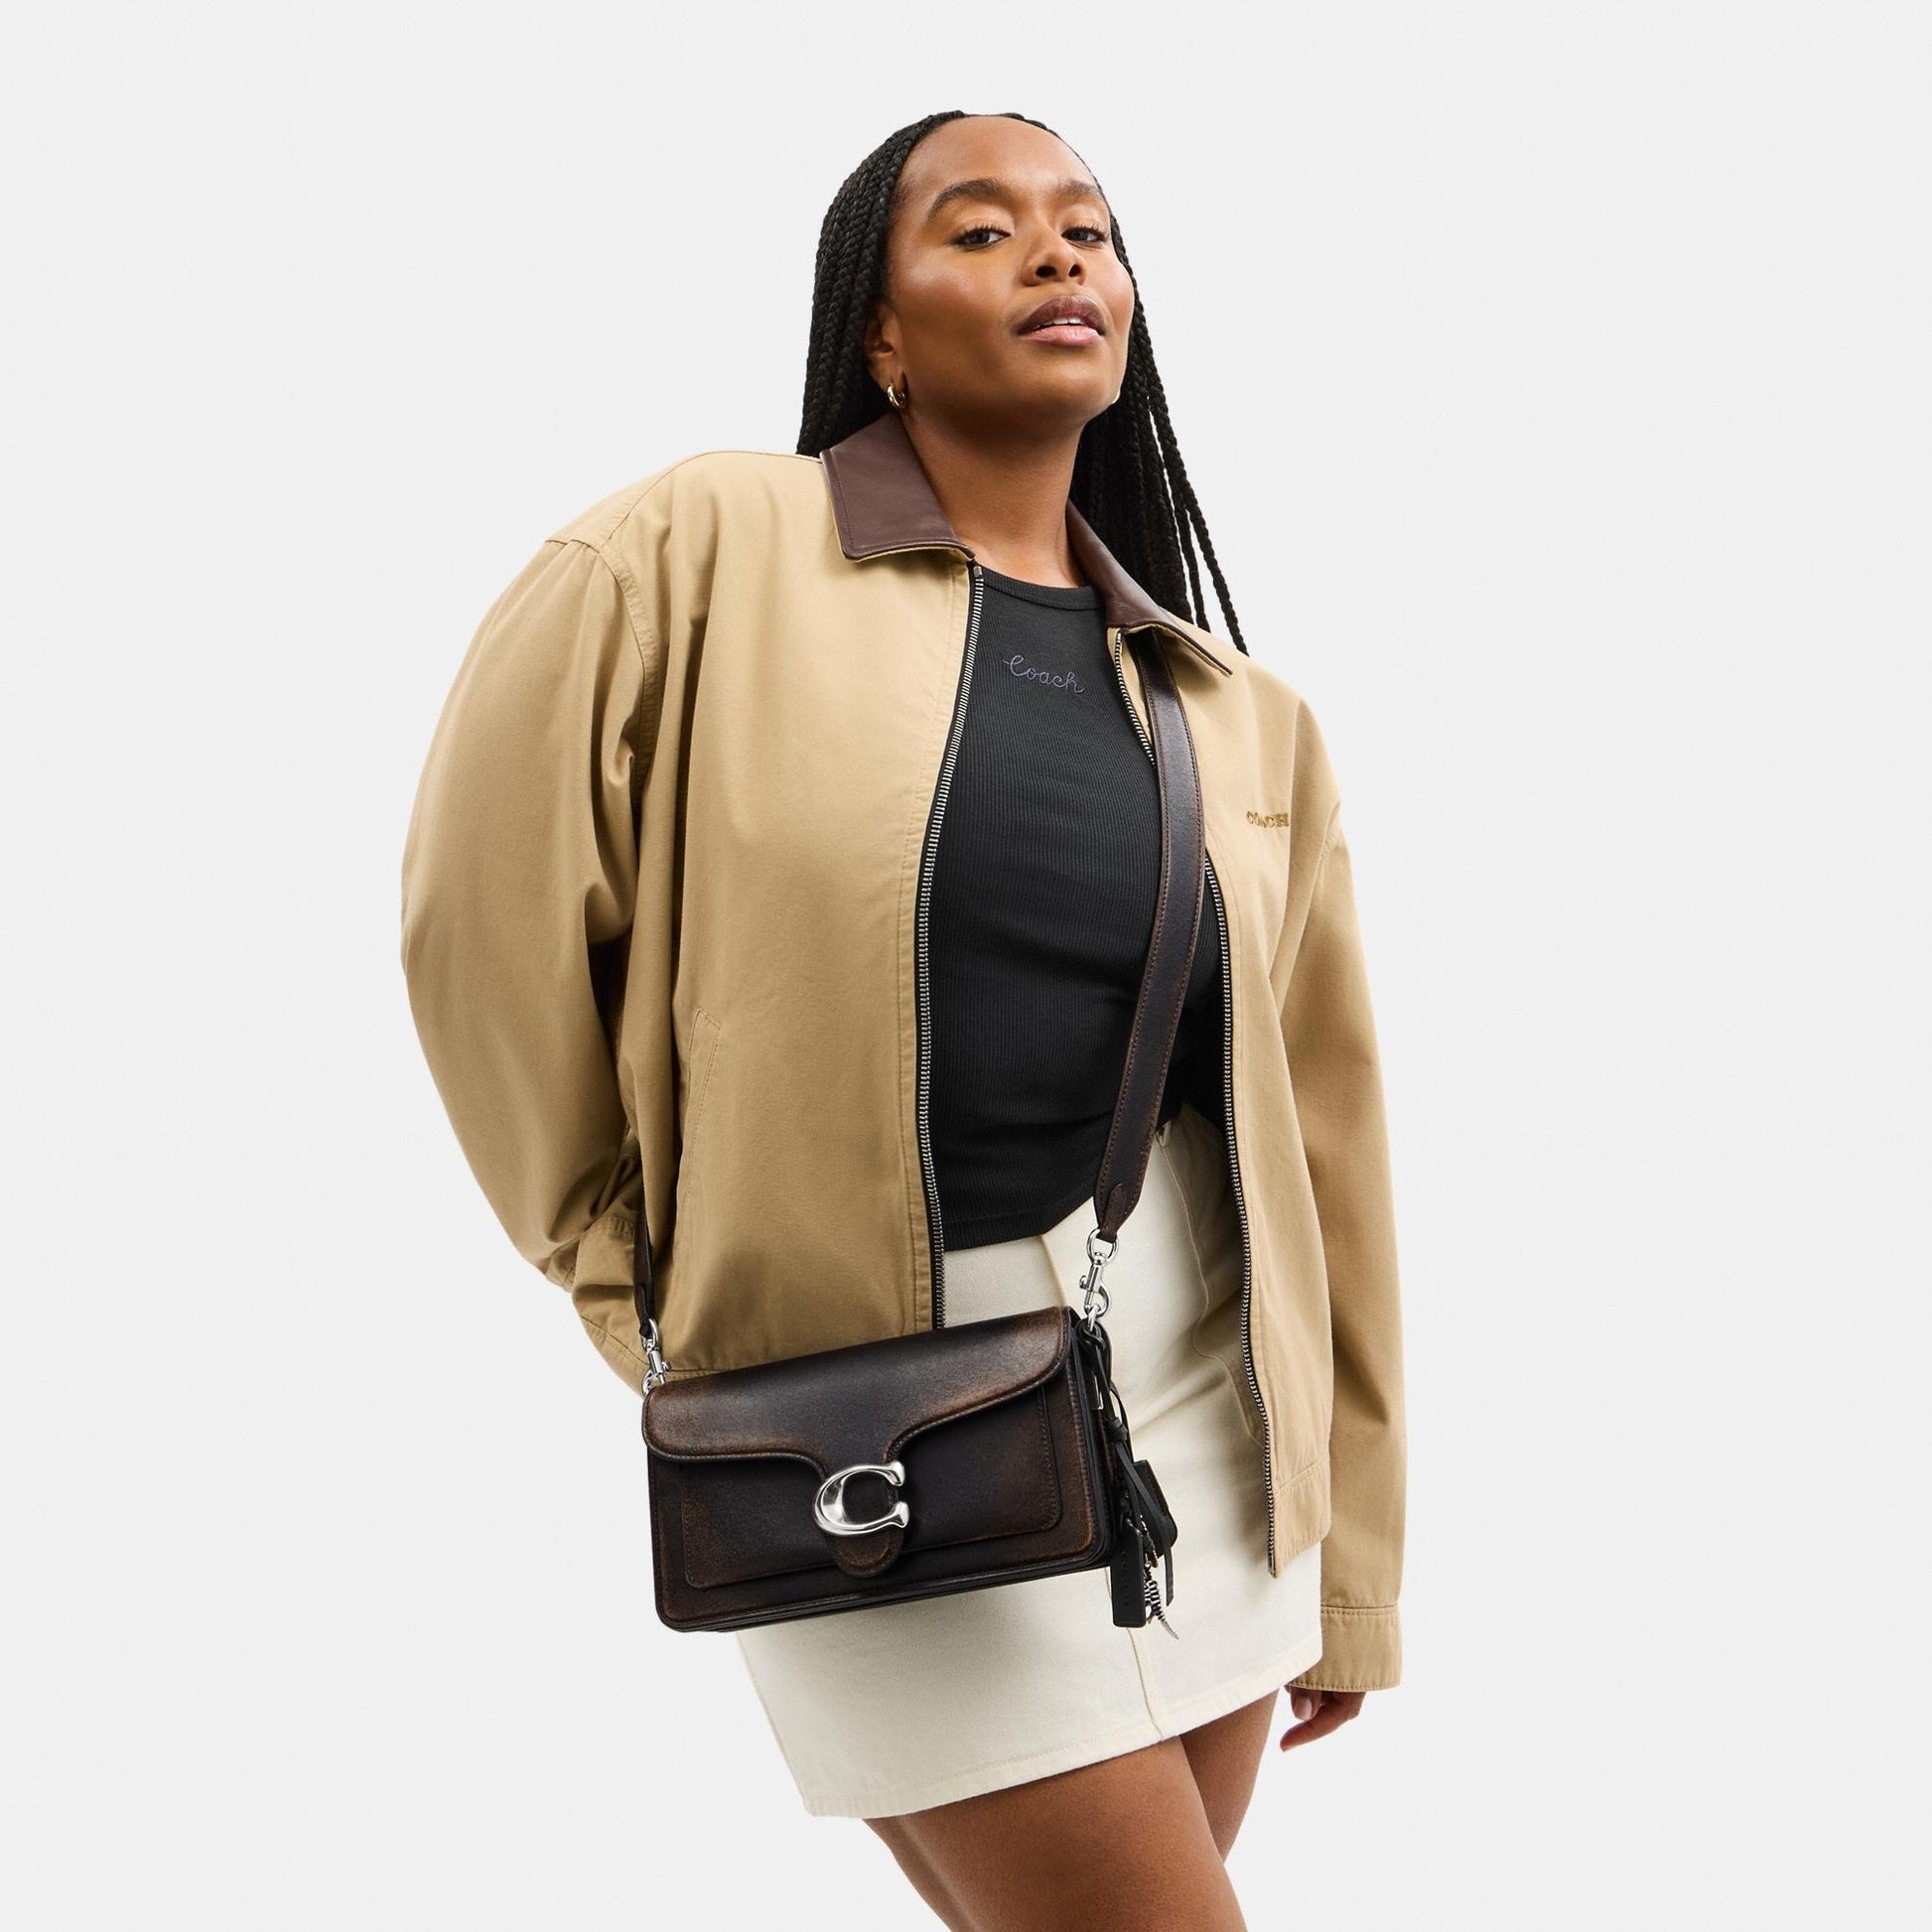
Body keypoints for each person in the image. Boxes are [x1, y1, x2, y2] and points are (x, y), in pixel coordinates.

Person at [400, 107, 1407, 1931]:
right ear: (877, 327)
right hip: (883, 1414)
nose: (1058, 254)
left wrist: (1354, 1555)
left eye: (1089, 228)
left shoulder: (1236, 709)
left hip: (1207, 1410)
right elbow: (482, 926)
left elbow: (1323, 1146)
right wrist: (658, 1302)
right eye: (981, 228)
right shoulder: (699, 548)